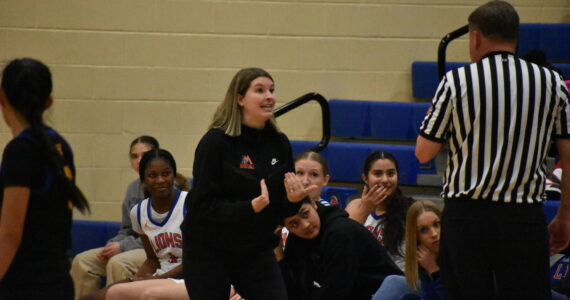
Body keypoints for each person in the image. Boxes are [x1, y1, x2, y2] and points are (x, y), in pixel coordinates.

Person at [415, 1, 570, 299]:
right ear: (515, 36)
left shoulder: (456, 80)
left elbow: (424, 152)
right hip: (523, 218)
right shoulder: (553, 83)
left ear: (475, 37)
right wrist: (565, 213)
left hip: (466, 218)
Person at [182, 67, 316, 300]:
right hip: (208, 248)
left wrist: (294, 202)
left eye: (272, 90)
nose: (269, 96)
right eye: (260, 90)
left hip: (255, 247)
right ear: (240, 99)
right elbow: (202, 206)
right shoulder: (215, 142)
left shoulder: (279, 143)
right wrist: (249, 207)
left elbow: (281, 207)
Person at [0, 58, 90, 299]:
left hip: (25, 285)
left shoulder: (20, 150)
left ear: (2, 97)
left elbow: (10, 234)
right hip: (57, 282)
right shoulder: (60, 145)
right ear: (49, 101)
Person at [87, 148, 188, 300]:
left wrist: (156, 280)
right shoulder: (139, 212)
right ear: (142, 180)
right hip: (161, 277)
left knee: (145, 295)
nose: (160, 180)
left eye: (165, 174)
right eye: (152, 175)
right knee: (100, 295)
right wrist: (134, 280)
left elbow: (197, 261)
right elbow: (152, 260)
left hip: (191, 278)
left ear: (173, 175)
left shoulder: (190, 203)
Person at [71, 135, 159, 298]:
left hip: (154, 250)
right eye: (134, 156)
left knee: (117, 263)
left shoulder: (163, 184)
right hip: (131, 245)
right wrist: (114, 244)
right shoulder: (132, 188)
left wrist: (123, 246)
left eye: (144, 155)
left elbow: (159, 234)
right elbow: (126, 229)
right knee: (82, 261)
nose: (139, 160)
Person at [280, 199, 403, 300]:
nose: (305, 225)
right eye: (294, 224)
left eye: (305, 214)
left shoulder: (340, 232)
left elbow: (336, 292)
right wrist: (278, 252)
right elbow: (292, 289)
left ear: (313, 204)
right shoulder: (297, 240)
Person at [345, 150, 415, 270]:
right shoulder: (354, 206)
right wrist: (365, 210)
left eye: (391, 173)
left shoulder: (411, 209)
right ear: (365, 178)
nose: (385, 180)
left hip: (396, 280)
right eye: (378, 174)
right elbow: (343, 245)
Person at [372, 200, 442, 300]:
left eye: (437, 224)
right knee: (394, 283)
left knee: (394, 283)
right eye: (424, 230)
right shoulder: (425, 258)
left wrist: (434, 271)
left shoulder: (457, 252)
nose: (434, 234)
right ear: (416, 238)